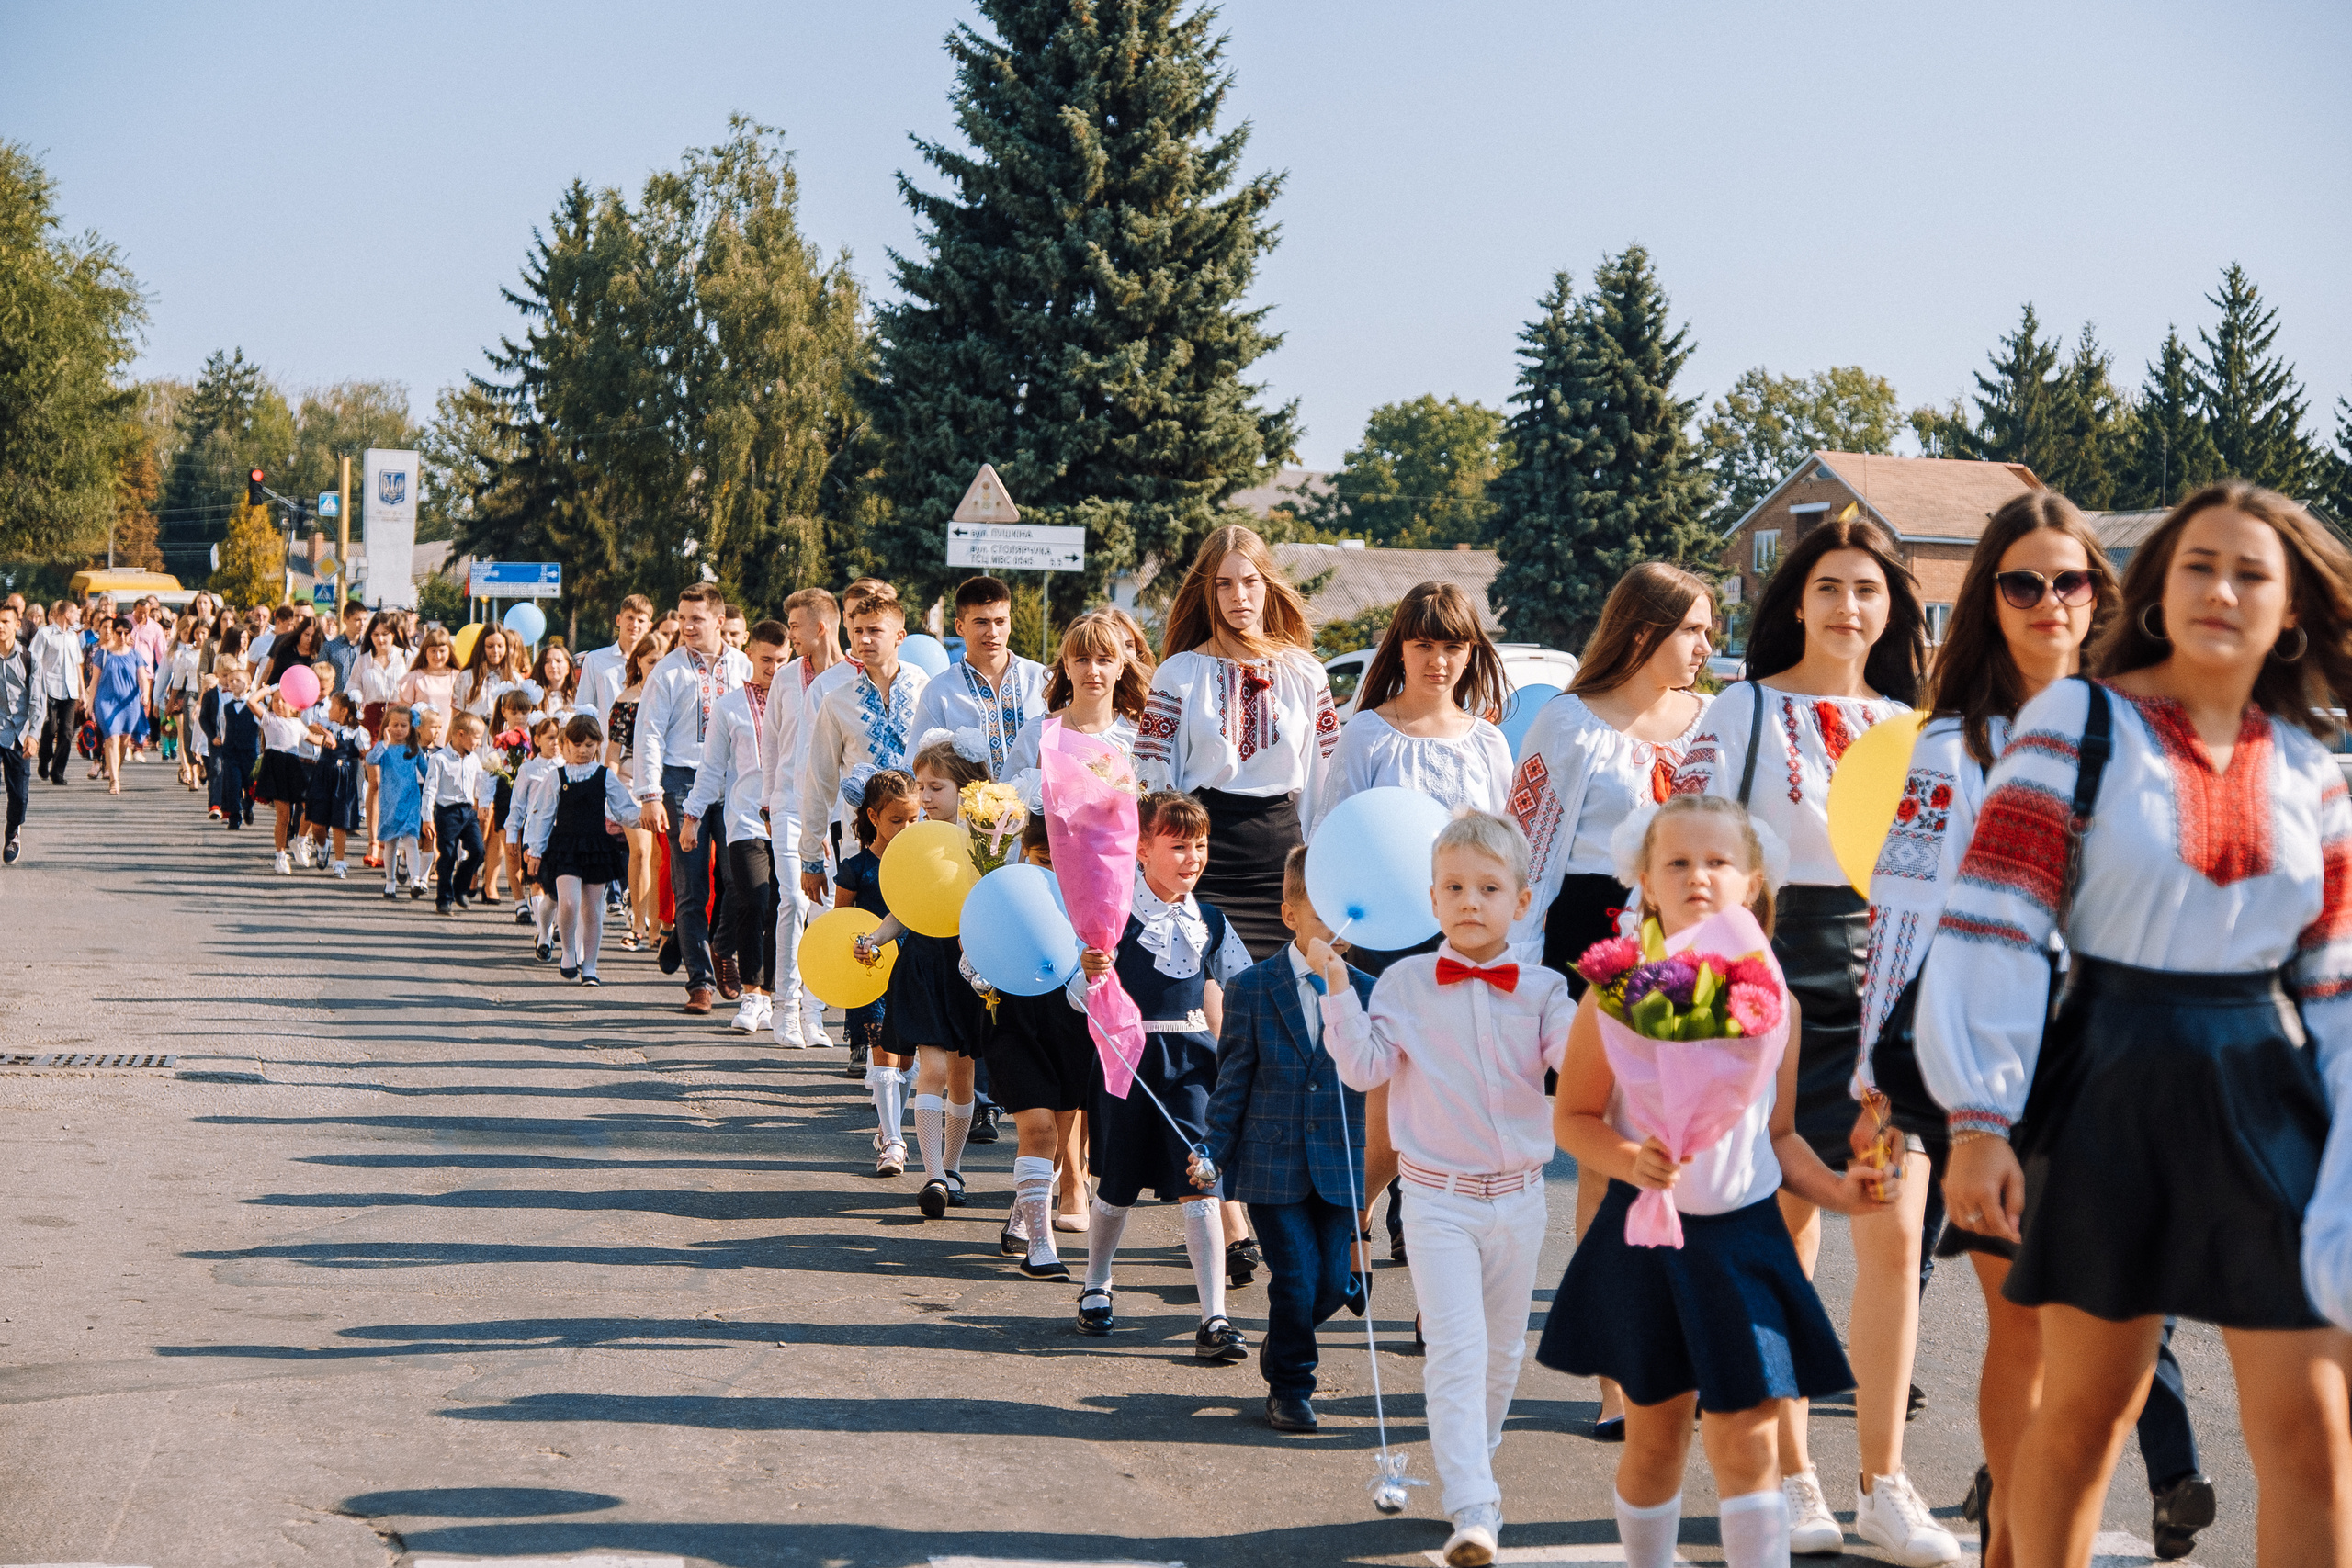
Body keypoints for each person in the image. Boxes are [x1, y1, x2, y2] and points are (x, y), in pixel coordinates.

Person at [1920, 481, 2352, 1568]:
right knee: (2089, 1413)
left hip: (2266, 1091)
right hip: (2111, 1078)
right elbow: (1993, 921)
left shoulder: (2311, 769)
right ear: (2158, 591)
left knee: (2312, 1428)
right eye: (2198, 565)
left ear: (2290, 610)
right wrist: (1977, 1118)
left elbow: (2339, 984)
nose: (2221, 589)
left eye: (2251, 572)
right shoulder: (2077, 720)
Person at [1668, 513, 1936, 1555]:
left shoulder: (1913, 725)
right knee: (1783, 1237)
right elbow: (1686, 843)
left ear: (1891, 609)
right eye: (1828, 587)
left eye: (1868, 590)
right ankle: (1793, 1478)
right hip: (1767, 978)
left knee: (1893, 1234)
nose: (1847, 607)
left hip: (1887, 982)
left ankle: (1886, 1482)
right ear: (1795, 601)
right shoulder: (1740, 709)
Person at [1541, 793, 1882, 1568]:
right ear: (1645, 881)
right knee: (1656, 1438)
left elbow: (1782, 1136)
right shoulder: (1618, 995)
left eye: (1719, 861)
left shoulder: (1776, 1004)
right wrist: (1631, 1160)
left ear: (1755, 879)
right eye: (1678, 862)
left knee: (1749, 1435)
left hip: (1745, 1240)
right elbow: (1575, 1118)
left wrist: (1839, 1191)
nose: (1699, 876)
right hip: (1647, 1235)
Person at [1316, 809, 1567, 1567]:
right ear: (1431, 899)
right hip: (1436, 1199)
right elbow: (1364, 1068)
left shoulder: (1546, 988)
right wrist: (1335, 990)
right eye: (1454, 886)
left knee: (1502, 1356)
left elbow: (1577, 1060)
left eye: (1489, 887)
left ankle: (1473, 1456)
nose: (1470, 901)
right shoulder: (1403, 982)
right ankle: (1473, 1505)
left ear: (1522, 901)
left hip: (1520, 1197)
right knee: (1455, 1349)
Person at [1195, 845, 1377, 1433]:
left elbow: (1384, 1087)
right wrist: (1211, 1152)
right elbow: (1232, 1084)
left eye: (1347, 912)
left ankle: (1282, 1341)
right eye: (1322, 911)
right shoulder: (1251, 990)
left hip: (1344, 1162)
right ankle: (1292, 1386)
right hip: (1272, 1167)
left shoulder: (1372, 993)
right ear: (1290, 915)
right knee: (1295, 1277)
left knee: (1330, 1282)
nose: (1337, 927)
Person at [1069, 790, 1256, 1359]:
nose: (1193, 857)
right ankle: (1096, 1284)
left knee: (1201, 1179)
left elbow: (1244, 988)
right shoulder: (1112, 918)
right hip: (1128, 1063)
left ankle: (1214, 1316)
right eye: (1178, 846)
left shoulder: (1214, 921)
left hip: (1193, 1066)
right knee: (1117, 1185)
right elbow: (1078, 1001)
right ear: (1142, 851)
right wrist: (1091, 971)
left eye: (1200, 845)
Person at [1137, 524, 1340, 959]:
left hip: (1281, 855)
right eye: (1224, 584)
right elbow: (1152, 777)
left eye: (1250, 582)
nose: (1239, 596)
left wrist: (1315, 864)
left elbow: (1326, 778)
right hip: (1202, 853)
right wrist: (1162, 864)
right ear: (1207, 592)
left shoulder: (1305, 673)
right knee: (1209, 1002)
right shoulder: (1178, 672)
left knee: (1278, 996)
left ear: (1268, 586)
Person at [852, 734, 994, 1214]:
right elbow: (905, 908)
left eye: (936, 787)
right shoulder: (912, 841)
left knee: (963, 1075)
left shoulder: (986, 841)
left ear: (964, 789)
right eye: (921, 786)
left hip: (971, 969)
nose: (925, 797)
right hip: (925, 965)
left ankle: (952, 1167)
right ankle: (932, 1175)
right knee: (931, 1069)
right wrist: (875, 937)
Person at [799, 581, 930, 1044]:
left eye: (875, 629)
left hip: (923, 838)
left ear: (900, 634)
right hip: (864, 838)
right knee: (864, 933)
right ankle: (863, 1035)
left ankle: (912, 1034)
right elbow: (818, 778)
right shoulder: (837, 698)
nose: (864, 639)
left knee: (920, 933)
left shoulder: (927, 690)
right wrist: (811, 854)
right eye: (856, 630)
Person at [983, 814, 1102, 1279]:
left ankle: (1021, 1216)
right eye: (1042, 860)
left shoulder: (1090, 907)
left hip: (1068, 1029)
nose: (1052, 872)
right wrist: (988, 969)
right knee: (1038, 1131)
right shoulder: (1002, 898)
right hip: (1011, 1023)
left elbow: (1093, 987)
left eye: (1063, 864)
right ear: (1023, 854)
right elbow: (972, 963)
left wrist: (1093, 972)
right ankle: (1041, 1247)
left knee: (1056, 1137)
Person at [638, 585, 755, 1015]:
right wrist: (650, 795)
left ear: (719, 621)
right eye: (683, 618)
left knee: (738, 879)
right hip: (681, 781)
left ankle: (722, 948)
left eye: (697, 619)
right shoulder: (667, 671)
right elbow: (649, 733)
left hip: (733, 781)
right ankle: (700, 981)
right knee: (691, 886)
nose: (687, 626)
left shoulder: (745, 666)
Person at [684, 619, 790, 1033]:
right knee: (752, 900)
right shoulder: (729, 707)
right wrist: (693, 816)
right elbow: (711, 768)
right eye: (766, 659)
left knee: (783, 906)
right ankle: (751, 994)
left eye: (783, 661)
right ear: (750, 655)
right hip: (745, 819)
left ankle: (778, 996)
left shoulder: (801, 701)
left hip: (789, 816)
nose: (774, 668)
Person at [758, 587, 850, 1048]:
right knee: (793, 899)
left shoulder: (854, 676)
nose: (788, 634)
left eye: (795, 625)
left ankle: (815, 1011)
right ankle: (784, 1008)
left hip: (838, 809)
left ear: (821, 626)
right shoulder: (786, 678)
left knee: (826, 909)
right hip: (790, 804)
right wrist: (768, 803)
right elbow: (771, 742)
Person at [836, 769, 922, 1168]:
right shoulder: (856, 869)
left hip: (913, 971)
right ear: (873, 817)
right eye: (896, 820)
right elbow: (840, 924)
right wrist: (859, 947)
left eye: (913, 820)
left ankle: (890, 1126)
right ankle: (893, 1141)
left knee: (906, 1061)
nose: (906, 828)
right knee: (883, 1053)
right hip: (870, 974)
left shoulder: (923, 862)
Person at [524, 714, 639, 984]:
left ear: (598, 744)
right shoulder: (557, 777)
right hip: (564, 846)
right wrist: (536, 850)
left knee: (592, 910)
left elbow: (624, 809)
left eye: (589, 744)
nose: (583, 750)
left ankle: (590, 966)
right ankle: (567, 950)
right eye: (576, 744)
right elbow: (541, 815)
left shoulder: (604, 776)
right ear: (565, 744)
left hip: (596, 846)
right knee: (568, 902)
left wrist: (645, 816)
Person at [910, 576, 1048, 777]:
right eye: (981, 622)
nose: (993, 632)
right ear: (960, 627)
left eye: (1000, 622)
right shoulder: (940, 691)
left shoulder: (1042, 680)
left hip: (1038, 807)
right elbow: (918, 763)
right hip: (967, 807)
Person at [606, 630, 670, 952]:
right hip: (631, 780)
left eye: (661, 661)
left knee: (660, 856)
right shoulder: (625, 701)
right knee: (642, 851)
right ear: (639, 663)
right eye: (650, 661)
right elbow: (613, 754)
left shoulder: (674, 695)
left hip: (665, 779)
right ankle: (637, 924)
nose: (656, 667)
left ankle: (658, 926)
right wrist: (609, 792)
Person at [421, 712, 494, 915]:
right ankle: (444, 899)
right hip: (447, 812)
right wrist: (427, 818)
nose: (479, 743)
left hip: (467, 812)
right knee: (448, 855)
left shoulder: (473, 760)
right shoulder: (440, 759)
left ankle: (460, 887)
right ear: (460, 734)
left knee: (478, 851)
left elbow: (481, 783)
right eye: (476, 737)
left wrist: (483, 805)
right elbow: (429, 790)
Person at [506, 715, 567, 954]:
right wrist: (513, 834)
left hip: (561, 834)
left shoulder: (566, 768)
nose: (555, 743)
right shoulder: (528, 769)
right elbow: (518, 805)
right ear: (537, 739)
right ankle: (544, 935)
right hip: (534, 835)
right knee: (538, 882)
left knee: (559, 887)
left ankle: (556, 926)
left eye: (559, 738)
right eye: (550, 738)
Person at [303, 690, 370, 878]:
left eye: (333, 706)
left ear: (343, 711)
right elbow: (311, 726)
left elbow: (365, 754)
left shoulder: (358, 732)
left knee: (339, 823)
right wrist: (327, 734)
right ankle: (323, 846)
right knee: (317, 823)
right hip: (323, 774)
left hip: (344, 778)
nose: (329, 709)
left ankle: (340, 862)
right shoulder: (327, 724)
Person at [368, 705, 429, 899]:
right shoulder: (384, 749)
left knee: (411, 839)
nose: (400, 729)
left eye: (404, 725)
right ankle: (390, 882)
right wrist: (384, 743)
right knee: (391, 841)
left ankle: (415, 881)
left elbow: (427, 773)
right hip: (389, 801)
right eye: (395, 725)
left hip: (410, 800)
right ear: (387, 726)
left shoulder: (414, 749)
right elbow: (371, 759)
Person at [254, 679, 312, 872]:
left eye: (284, 700)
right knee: (284, 816)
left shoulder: (298, 724)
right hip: (276, 767)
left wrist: (329, 737)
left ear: (295, 706)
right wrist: (269, 689)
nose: (279, 704)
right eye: (276, 700)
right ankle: (280, 855)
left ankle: (300, 840)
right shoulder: (270, 719)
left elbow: (316, 740)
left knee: (310, 806)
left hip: (293, 767)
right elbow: (251, 701)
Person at [88, 616, 148, 795]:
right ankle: (114, 780)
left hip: (129, 704)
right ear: (113, 633)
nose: (122, 636)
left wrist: (145, 693)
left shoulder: (136, 655)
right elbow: (94, 681)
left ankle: (115, 768)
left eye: (126, 633)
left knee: (123, 740)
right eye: (119, 632)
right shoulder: (103, 654)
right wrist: (89, 704)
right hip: (105, 702)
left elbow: (142, 678)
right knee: (111, 738)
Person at [579, 594, 655, 731]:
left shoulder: (655, 664)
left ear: (649, 626)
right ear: (619, 620)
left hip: (643, 745)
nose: (635, 625)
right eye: (630, 618)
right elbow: (583, 708)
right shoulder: (595, 660)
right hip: (605, 746)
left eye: (641, 620)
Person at [203, 656, 262, 830]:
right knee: (232, 784)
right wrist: (218, 736)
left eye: (238, 680)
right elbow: (222, 721)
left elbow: (265, 723)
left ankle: (248, 807)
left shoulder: (255, 705)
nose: (233, 683)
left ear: (249, 684)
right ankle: (234, 818)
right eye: (231, 680)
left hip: (250, 751)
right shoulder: (226, 704)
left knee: (250, 785)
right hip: (230, 751)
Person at [32, 600, 83, 786]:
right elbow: (35, 661)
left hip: (70, 689)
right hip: (50, 689)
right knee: (50, 728)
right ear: (67, 614)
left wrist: (82, 691)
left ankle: (58, 771)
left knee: (67, 732)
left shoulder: (73, 637)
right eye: (75, 613)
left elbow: (78, 664)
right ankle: (44, 759)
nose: (77, 617)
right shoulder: (44, 634)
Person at [0, 602, 32, 863]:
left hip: (20, 733)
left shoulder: (27, 658)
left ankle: (12, 832)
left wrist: (33, 735)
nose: (0, 626)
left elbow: (38, 701)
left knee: (19, 795)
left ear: (16, 625)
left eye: (5, 622)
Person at [397, 626, 461, 726]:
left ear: (449, 651)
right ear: (425, 652)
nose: (437, 656)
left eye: (442, 651)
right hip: (421, 737)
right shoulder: (414, 678)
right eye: (433, 651)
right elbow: (403, 714)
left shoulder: (459, 678)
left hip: (452, 735)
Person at [322, 600, 368, 694]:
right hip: (335, 701)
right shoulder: (330, 647)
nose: (362, 623)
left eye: (364, 619)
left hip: (361, 702)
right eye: (357, 620)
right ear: (345, 619)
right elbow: (320, 674)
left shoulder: (368, 647)